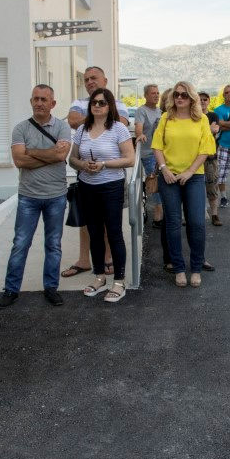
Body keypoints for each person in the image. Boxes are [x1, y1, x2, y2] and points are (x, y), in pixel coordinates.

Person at [0, 84, 72, 309]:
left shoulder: (62, 127)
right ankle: (11, 290)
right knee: (20, 244)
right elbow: (19, 160)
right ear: (31, 101)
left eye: (43, 99)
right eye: (36, 99)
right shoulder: (21, 129)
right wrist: (50, 155)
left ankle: (51, 288)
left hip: (56, 196)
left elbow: (61, 156)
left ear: (53, 104)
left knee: (53, 245)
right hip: (28, 196)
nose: (39, 103)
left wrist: (31, 152)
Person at [61, 66, 129, 278]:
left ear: (105, 80)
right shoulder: (79, 104)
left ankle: (109, 260)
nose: (90, 81)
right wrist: (94, 117)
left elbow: (121, 123)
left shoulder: (119, 106)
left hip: (111, 180)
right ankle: (85, 262)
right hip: (87, 179)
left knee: (110, 225)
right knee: (89, 224)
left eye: (94, 78)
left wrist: (93, 116)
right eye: (86, 79)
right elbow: (72, 121)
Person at [68, 88, 135, 303]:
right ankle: (99, 277)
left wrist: (104, 164)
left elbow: (130, 159)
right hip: (87, 187)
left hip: (111, 187)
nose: (97, 105)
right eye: (94, 102)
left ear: (110, 106)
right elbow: (72, 159)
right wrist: (83, 165)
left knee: (114, 233)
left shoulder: (118, 129)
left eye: (102, 102)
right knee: (94, 233)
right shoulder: (82, 129)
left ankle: (119, 282)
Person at [152, 82, 216, 288]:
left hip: (194, 177)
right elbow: (157, 146)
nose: (180, 98)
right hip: (169, 177)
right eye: (177, 94)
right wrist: (164, 169)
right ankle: (179, 268)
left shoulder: (202, 119)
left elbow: (206, 148)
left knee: (197, 223)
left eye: (184, 95)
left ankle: (196, 268)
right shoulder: (166, 118)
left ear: (192, 98)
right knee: (172, 223)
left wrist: (189, 171)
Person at [135, 84, 163, 227]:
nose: (156, 95)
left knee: (162, 182)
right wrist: (140, 135)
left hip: (161, 152)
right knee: (155, 182)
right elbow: (138, 128)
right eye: (153, 93)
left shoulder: (160, 111)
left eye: (157, 93)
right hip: (149, 153)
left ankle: (160, 213)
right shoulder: (141, 110)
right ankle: (158, 216)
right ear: (145, 95)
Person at [199, 91, 223, 226]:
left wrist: (202, 130)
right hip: (194, 158)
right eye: (200, 99)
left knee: (212, 186)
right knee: (192, 188)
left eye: (205, 99)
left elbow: (215, 130)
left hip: (210, 158)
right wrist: (208, 129)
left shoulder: (213, 115)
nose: (202, 101)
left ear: (208, 101)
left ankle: (214, 215)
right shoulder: (193, 116)